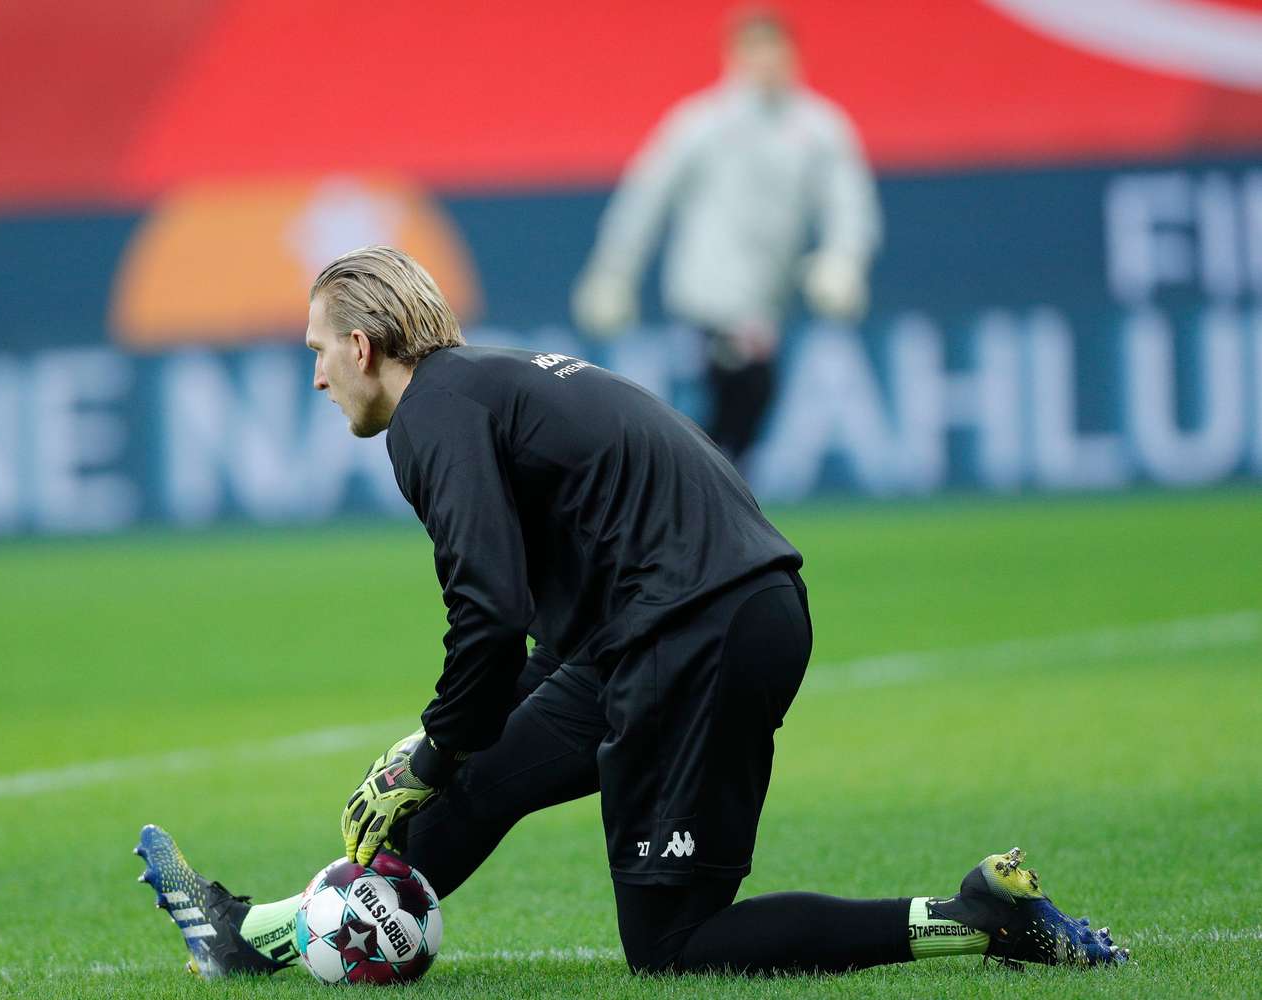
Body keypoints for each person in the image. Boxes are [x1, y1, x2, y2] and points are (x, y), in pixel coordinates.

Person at [133, 246, 1127, 978]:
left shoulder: (433, 415)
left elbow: (488, 611)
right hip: (689, 620)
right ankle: (255, 938)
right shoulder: (486, 385)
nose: (316, 376)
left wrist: (431, 750)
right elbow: (538, 634)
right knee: (480, 781)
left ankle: (975, 917)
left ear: (361, 345)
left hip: (695, 632)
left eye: (318, 352)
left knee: (674, 944)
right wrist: (437, 753)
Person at [571, 5, 881, 465]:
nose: (766, 63)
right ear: (734, 56)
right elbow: (646, 199)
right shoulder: (702, 124)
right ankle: (698, 490)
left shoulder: (819, 127)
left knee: (744, 410)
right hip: (707, 293)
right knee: (741, 388)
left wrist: (844, 260)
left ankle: (699, 491)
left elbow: (850, 204)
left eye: (774, 50)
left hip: (768, 298)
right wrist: (613, 272)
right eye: (756, 51)